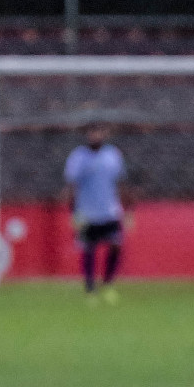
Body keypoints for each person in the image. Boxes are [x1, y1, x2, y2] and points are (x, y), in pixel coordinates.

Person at [63, 123, 129, 305]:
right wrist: (73, 212)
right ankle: (90, 288)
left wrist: (128, 208)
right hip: (87, 212)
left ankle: (108, 284)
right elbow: (72, 185)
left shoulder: (113, 155)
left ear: (105, 134)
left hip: (110, 211)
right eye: (92, 132)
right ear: (87, 135)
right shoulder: (79, 157)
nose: (96, 135)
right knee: (88, 248)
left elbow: (121, 182)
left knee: (116, 244)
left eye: (99, 132)